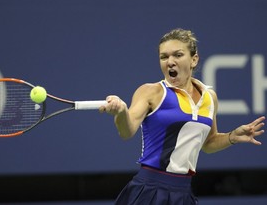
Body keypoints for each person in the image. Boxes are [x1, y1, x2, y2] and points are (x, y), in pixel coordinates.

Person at [99, 28, 265, 205]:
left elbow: (208, 144)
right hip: (149, 190)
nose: (170, 62)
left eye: (178, 55)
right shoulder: (151, 92)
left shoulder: (210, 97)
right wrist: (121, 112)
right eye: (164, 57)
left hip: (183, 194)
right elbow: (127, 130)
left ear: (194, 59)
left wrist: (232, 137)